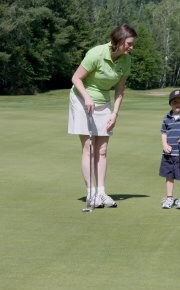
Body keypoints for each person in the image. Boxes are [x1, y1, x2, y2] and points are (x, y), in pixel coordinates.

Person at [68, 24, 137, 208]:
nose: (132, 48)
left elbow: (120, 89)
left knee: (103, 150)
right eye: (129, 44)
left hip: (104, 102)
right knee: (89, 147)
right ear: (119, 41)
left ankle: (101, 192)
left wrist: (115, 113)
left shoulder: (126, 60)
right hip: (82, 99)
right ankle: (91, 193)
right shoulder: (96, 53)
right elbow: (76, 78)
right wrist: (87, 97)